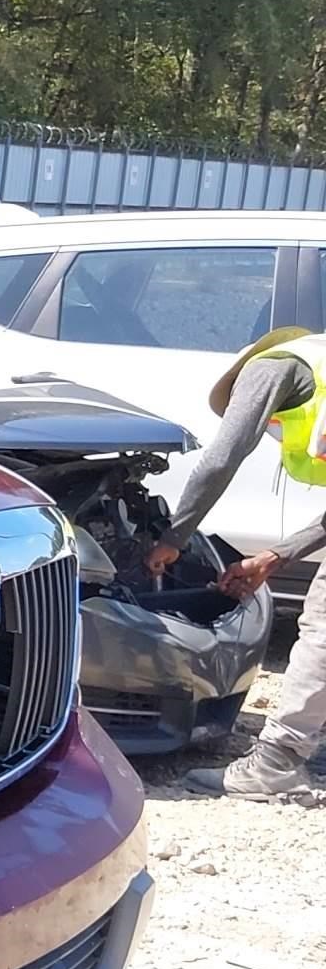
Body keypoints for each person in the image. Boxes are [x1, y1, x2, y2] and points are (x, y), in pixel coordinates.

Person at [143, 326, 326, 797]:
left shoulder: (269, 369)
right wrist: (275, 556)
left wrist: (174, 537)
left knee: (322, 627)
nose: (275, 430)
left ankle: (277, 761)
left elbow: (220, 460)